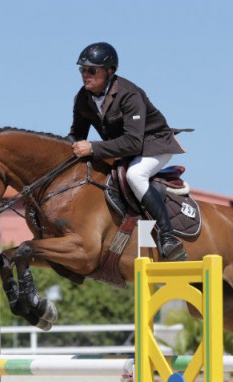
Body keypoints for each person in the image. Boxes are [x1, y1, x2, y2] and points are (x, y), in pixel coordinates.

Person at [68, 42, 187, 261]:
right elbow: (76, 134)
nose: (85, 75)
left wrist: (93, 147)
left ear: (109, 71)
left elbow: (133, 142)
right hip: (121, 148)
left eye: (91, 70)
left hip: (153, 143)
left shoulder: (128, 94)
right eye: (82, 70)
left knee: (135, 174)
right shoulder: (83, 98)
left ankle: (168, 236)